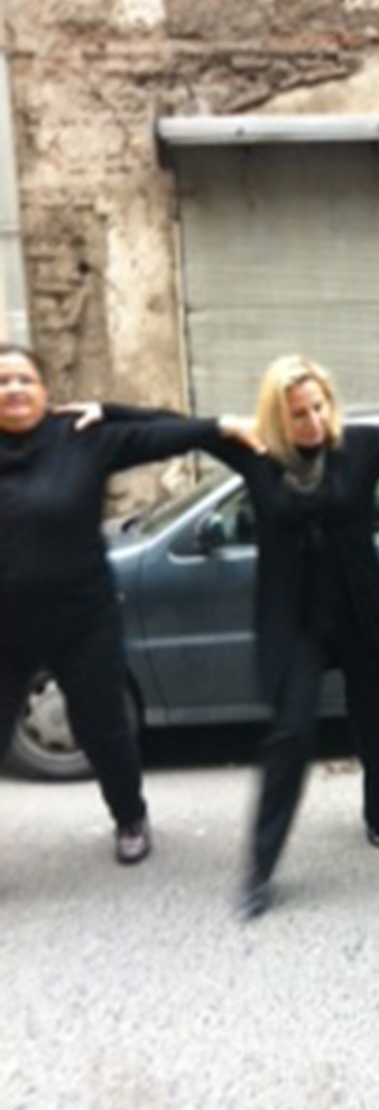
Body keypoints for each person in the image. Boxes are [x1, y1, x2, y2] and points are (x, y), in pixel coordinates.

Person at [195, 357, 379, 919]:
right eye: (297, 413)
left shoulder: (360, 447)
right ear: (276, 416)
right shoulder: (257, 455)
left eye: (318, 406)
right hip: (297, 623)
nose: (312, 420)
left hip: (360, 614)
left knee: (374, 721)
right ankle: (260, 869)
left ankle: (377, 801)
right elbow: (175, 433)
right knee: (291, 734)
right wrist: (207, 424)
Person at [0, 343, 261, 867]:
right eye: (2, 382)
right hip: (6, 625)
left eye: (24, 379)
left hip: (82, 619)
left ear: (46, 391)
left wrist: (217, 425)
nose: (13, 389)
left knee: (102, 728)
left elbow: (166, 433)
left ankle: (130, 818)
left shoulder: (80, 437)